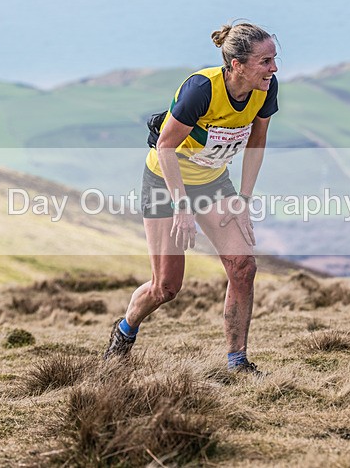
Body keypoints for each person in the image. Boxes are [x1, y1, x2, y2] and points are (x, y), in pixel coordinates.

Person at [103, 22, 279, 373]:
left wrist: (242, 199)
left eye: (274, 59)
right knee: (166, 286)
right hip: (165, 181)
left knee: (243, 267)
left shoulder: (265, 88)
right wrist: (181, 206)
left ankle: (237, 361)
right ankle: (124, 331)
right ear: (237, 64)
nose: (274, 69)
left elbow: (256, 142)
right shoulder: (201, 89)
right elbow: (166, 146)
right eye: (265, 61)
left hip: (213, 182)